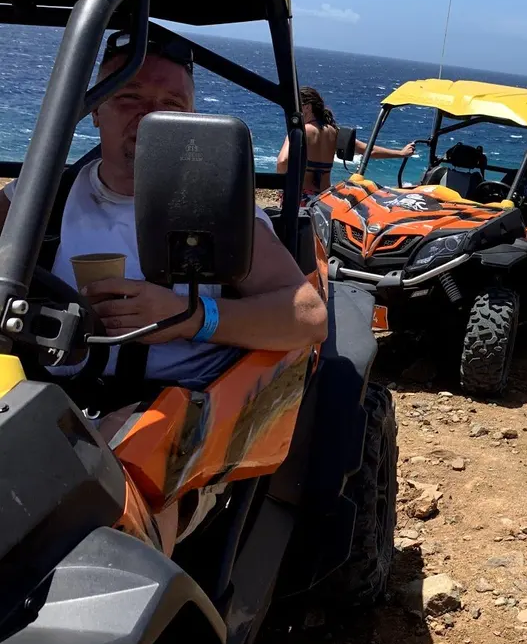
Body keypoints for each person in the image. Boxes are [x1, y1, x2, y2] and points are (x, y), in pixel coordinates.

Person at [0, 30, 328, 553]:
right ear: (94, 110)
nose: (149, 117)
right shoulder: (38, 200)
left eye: (170, 105)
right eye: (130, 98)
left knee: (111, 496)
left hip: (174, 419)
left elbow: (308, 317)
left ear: (192, 119)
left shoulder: (222, 213)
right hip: (43, 394)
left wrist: (192, 318)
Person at [276, 86, 415, 199]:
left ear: (307, 107)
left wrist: (283, 187)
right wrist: (402, 153)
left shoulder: (301, 131)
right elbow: (369, 151)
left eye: (297, 105)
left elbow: (282, 161)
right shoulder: (334, 132)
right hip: (324, 198)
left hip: (301, 197)